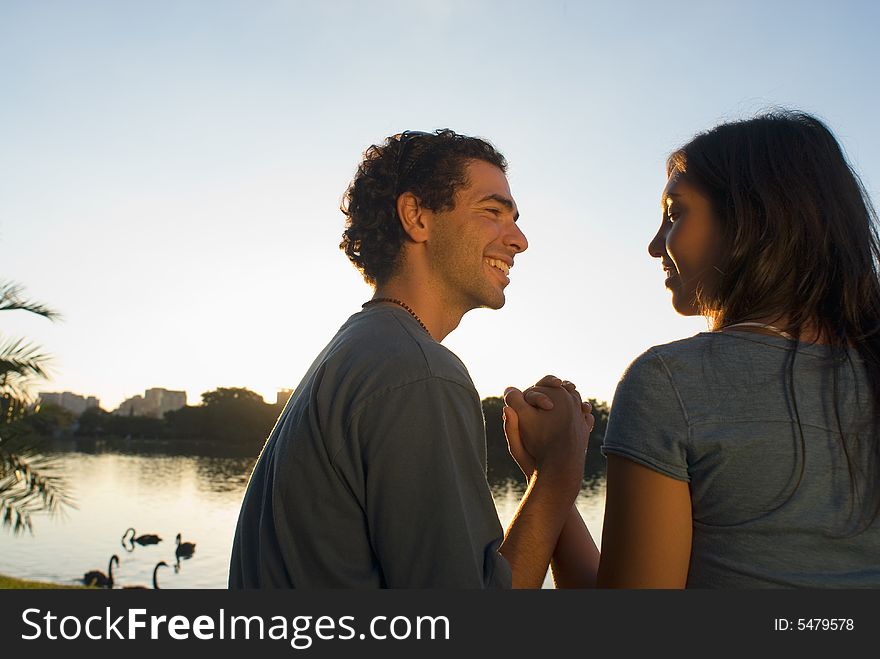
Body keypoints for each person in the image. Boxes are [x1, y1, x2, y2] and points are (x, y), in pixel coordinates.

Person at [506, 110, 880, 587]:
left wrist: (552, 470)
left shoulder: (670, 382)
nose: (654, 245)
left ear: (753, 218)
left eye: (673, 213)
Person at [228, 129, 593, 589]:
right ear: (416, 217)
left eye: (514, 218)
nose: (519, 239)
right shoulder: (419, 371)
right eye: (493, 211)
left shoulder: (361, 350)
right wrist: (558, 473)